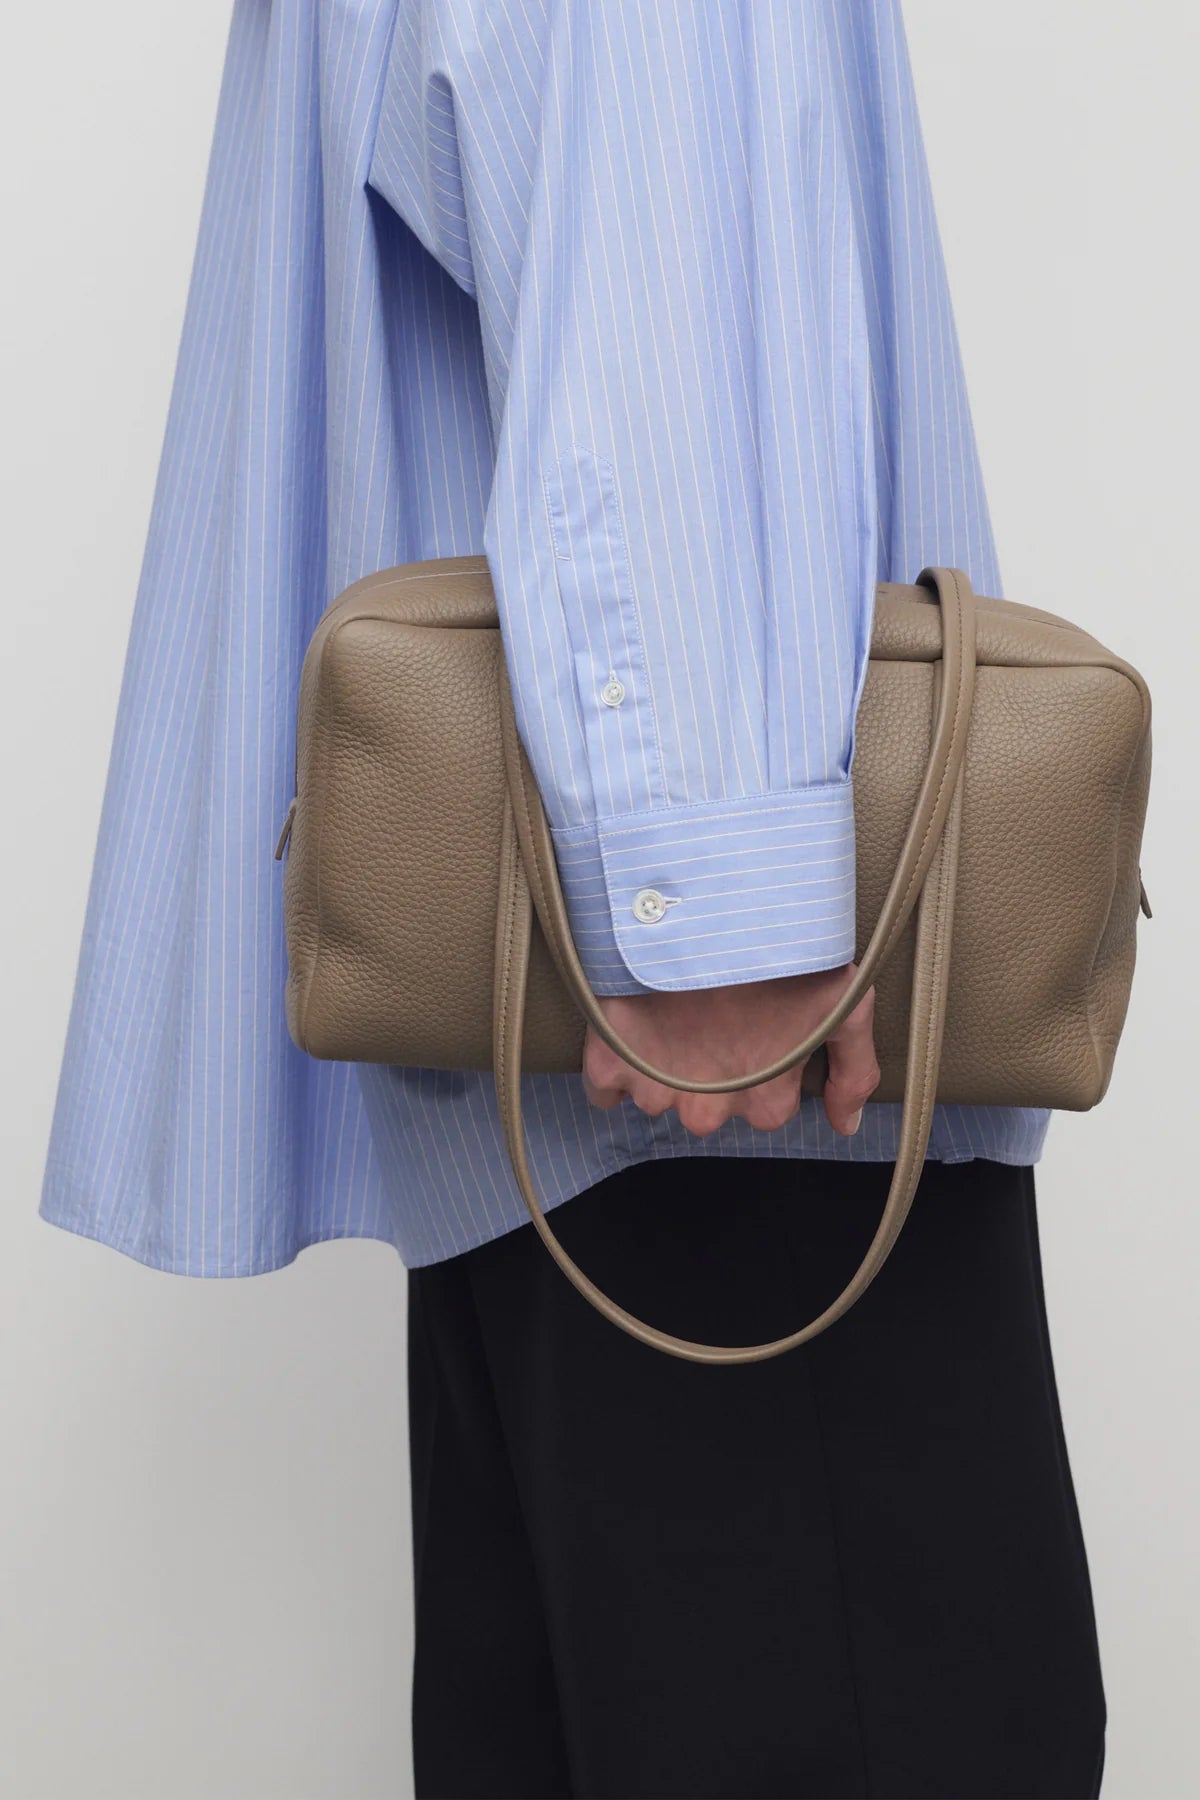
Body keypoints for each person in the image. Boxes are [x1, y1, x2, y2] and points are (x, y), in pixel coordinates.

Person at [40, 3, 1107, 1795]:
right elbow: (645, 146)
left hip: (561, 1047)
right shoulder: (716, 981)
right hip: (728, 1050)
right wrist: (716, 887)